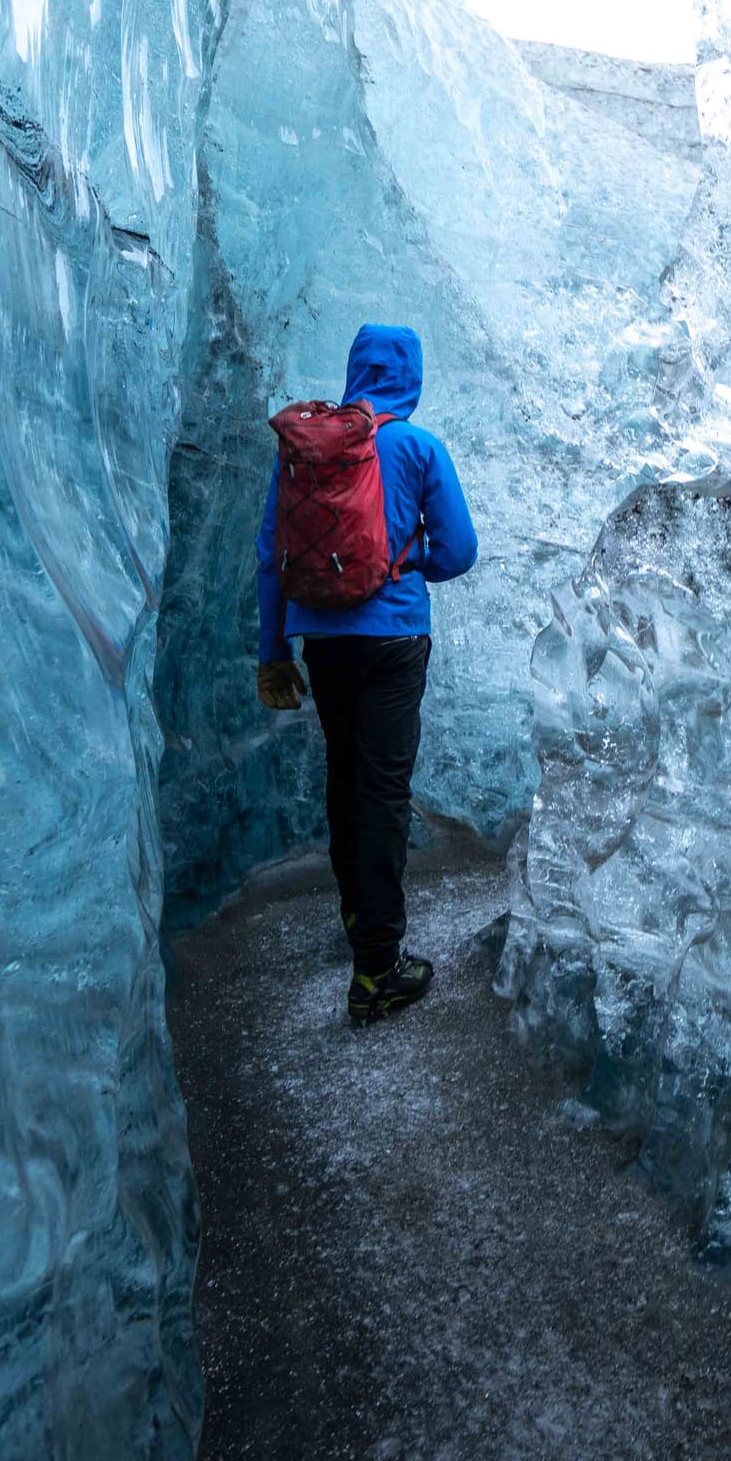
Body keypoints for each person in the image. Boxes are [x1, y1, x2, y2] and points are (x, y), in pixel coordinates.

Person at [255, 324, 478, 1022]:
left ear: (355, 371)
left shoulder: (308, 453)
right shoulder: (417, 446)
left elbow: (271, 555)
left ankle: (359, 918)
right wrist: (408, 568)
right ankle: (378, 968)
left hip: (322, 637)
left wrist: (273, 652)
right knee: (383, 791)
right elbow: (460, 550)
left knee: (346, 777)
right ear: (410, 374)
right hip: (395, 637)